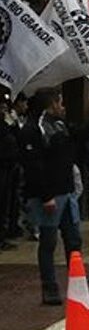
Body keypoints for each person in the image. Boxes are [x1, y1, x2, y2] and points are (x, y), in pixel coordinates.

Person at [20, 89, 89, 305]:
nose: (63, 107)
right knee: (49, 242)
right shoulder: (33, 130)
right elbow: (33, 166)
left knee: (74, 241)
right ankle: (49, 288)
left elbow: (83, 134)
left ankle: (82, 287)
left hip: (68, 194)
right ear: (51, 104)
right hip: (50, 197)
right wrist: (46, 196)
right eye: (60, 103)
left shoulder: (60, 125)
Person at [0, 96, 19, 251]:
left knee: (7, 202)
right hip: (3, 165)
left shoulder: (7, 124)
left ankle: (5, 232)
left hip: (8, 166)